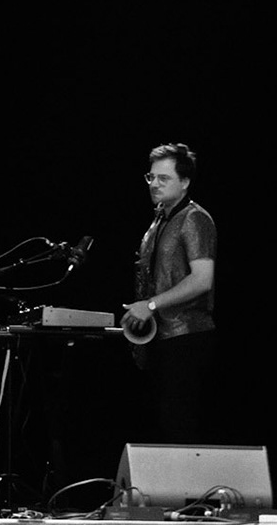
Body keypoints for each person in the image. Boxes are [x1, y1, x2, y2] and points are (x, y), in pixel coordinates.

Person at [122, 141, 216, 442]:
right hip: (160, 340)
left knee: (178, 427)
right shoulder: (159, 220)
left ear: (185, 181)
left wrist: (149, 305)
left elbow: (202, 280)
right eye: (151, 177)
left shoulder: (194, 218)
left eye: (164, 178)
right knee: (159, 428)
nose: (155, 184)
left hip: (186, 338)